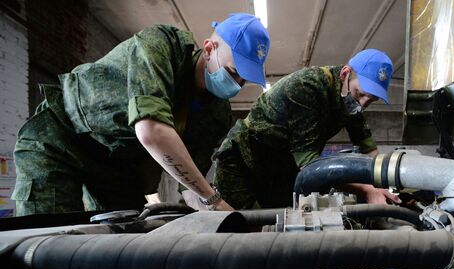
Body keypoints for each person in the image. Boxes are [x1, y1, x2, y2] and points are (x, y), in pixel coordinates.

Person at [12, 13, 269, 215]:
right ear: (209, 48)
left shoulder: (216, 114)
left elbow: (190, 187)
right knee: (52, 246)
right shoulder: (161, 46)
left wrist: (223, 217)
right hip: (60, 139)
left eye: (244, 80)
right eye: (233, 71)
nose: (236, 85)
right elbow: (151, 131)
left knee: (126, 246)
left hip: (116, 168)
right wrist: (213, 200)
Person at [213, 49, 401, 209]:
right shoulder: (307, 87)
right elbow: (310, 165)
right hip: (242, 165)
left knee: (282, 232)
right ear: (345, 74)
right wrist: (366, 189)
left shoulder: (350, 102)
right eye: (360, 94)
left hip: (278, 173)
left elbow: (367, 146)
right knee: (240, 234)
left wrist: (382, 184)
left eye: (371, 100)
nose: (362, 104)